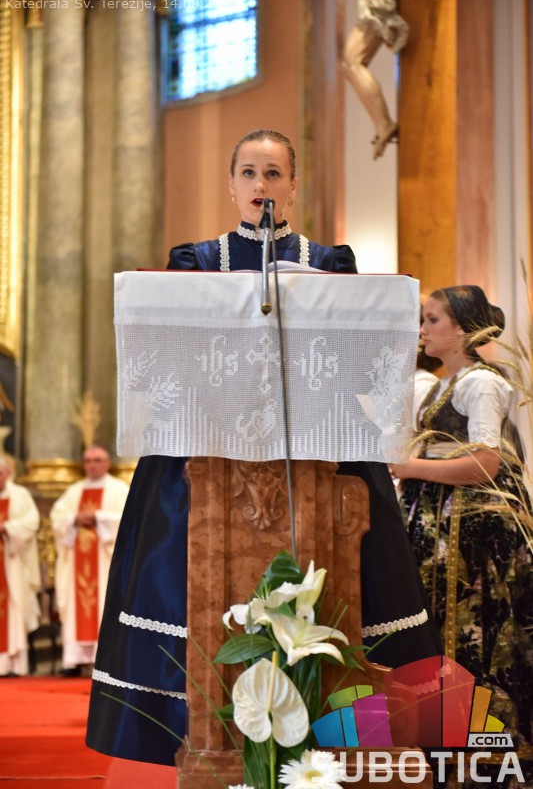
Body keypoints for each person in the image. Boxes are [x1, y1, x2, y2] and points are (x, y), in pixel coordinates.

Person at [86, 129, 439, 766]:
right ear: (231, 185)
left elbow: (356, 363)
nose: (261, 185)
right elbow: (171, 360)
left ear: (293, 186)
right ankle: (196, 724)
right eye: (249, 173)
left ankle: (344, 726)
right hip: (210, 450)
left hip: (314, 448)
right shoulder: (195, 262)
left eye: (273, 174)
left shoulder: (330, 263)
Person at [392, 286, 532, 762]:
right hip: (440, 517)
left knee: (474, 625)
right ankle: (443, 739)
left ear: (463, 329)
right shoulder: (444, 384)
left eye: (433, 320)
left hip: (472, 526)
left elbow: (487, 463)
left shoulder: (481, 383)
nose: (423, 329)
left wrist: (411, 468)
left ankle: (482, 749)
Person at [50, 445, 129, 675]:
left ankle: (104, 660)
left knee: (105, 603)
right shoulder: (74, 491)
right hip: (77, 559)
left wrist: (98, 517)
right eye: (88, 461)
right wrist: (74, 519)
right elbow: (57, 518)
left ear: (107, 463)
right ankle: (75, 661)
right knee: (76, 609)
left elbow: (127, 520)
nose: (92, 465)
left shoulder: (119, 489)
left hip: (105, 562)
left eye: (97, 460)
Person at [343, 0, 409, 160]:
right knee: (351, 63)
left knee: (352, 63)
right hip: (376, 2)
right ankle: (383, 122)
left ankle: (383, 123)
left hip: (379, 2)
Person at [0, 457, 41, 676]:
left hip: (12, 561)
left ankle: (13, 664)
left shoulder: (20, 495)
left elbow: (31, 522)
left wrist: (7, 528)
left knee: (13, 609)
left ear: (8, 474)